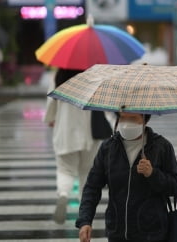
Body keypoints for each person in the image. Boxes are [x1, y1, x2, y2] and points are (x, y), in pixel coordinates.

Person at [76, 112, 177, 242]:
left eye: (132, 118)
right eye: (122, 117)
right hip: (116, 233)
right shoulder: (108, 148)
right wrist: (85, 221)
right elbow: (92, 187)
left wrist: (153, 174)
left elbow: (175, 185)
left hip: (151, 233)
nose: (126, 123)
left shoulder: (161, 147)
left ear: (145, 120)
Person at [44, 68, 113, 224]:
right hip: (89, 133)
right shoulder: (92, 76)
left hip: (65, 131)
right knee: (86, 172)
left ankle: (63, 194)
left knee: (65, 169)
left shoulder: (58, 76)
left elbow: (51, 103)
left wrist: (51, 118)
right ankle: (84, 210)